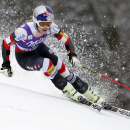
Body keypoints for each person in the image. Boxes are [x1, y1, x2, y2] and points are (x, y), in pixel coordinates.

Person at [1, 5, 105, 105]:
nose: (46, 27)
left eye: (48, 23)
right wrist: (6, 65)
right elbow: (6, 43)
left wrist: (72, 55)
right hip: (24, 56)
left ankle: (88, 93)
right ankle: (67, 89)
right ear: (36, 21)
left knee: (62, 68)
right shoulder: (23, 31)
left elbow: (67, 40)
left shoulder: (52, 27)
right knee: (47, 64)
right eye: (42, 23)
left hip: (39, 48)